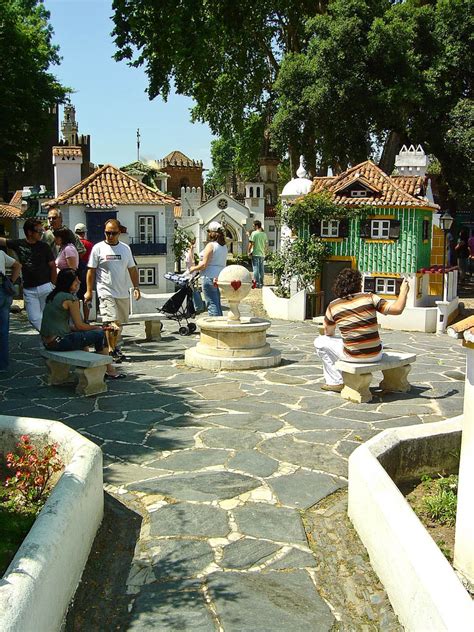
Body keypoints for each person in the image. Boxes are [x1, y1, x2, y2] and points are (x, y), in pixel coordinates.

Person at [314, 268, 410, 392]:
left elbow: (328, 332)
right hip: (376, 354)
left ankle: (335, 381)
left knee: (320, 341)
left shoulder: (333, 306)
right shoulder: (370, 298)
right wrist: (403, 291)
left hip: (352, 355)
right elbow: (397, 309)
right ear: (359, 284)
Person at [40, 268, 122, 379]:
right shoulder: (69, 299)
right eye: (76, 281)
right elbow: (80, 325)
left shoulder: (52, 296)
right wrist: (97, 327)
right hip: (59, 342)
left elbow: (63, 325)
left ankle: (95, 365)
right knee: (100, 334)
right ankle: (109, 369)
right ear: (68, 283)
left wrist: (87, 328)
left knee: (84, 337)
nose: (79, 283)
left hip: (48, 342)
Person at [84, 219, 141, 362]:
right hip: (105, 291)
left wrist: (136, 287)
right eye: (107, 233)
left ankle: (113, 347)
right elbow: (91, 271)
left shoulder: (125, 248)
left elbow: (132, 269)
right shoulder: (98, 248)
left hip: (121, 292)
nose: (110, 236)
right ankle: (110, 351)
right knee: (111, 322)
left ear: (119, 232)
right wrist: (89, 291)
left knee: (118, 324)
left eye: (113, 233)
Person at [0, 218, 57, 331]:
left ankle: (51, 338)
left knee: (49, 316)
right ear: (30, 232)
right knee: (34, 318)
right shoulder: (19, 244)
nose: (41, 233)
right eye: (39, 231)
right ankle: (49, 335)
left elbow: (53, 266)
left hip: (46, 286)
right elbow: (3, 241)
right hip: (29, 289)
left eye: (42, 231)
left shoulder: (44, 246)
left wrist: (53, 285)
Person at [190, 221, 227, 316]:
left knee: (211, 303)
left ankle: (214, 325)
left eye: (209, 231)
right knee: (216, 302)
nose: (208, 233)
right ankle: (220, 323)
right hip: (218, 276)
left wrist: (193, 268)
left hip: (209, 276)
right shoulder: (223, 247)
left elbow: (204, 265)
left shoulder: (211, 245)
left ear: (213, 233)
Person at [0, 250, 21, 372]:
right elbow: (18, 265)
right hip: (4, 290)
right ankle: (2, 364)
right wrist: (11, 282)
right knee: (3, 331)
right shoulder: (1, 253)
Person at [74, 223, 94, 321]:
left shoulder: (73, 244)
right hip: (87, 272)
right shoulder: (90, 245)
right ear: (84, 233)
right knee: (87, 297)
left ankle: (77, 319)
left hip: (76, 272)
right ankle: (86, 319)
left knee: (76, 298)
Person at [248, 220, 268, 288]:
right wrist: (265, 252)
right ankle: (261, 283)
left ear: (256, 226)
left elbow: (251, 243)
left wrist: (248, 251)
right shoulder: (264, 234)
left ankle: (256, 283)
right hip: (262, 254)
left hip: (255, 253)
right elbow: (266, 245)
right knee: (261, 269)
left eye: (253, 226)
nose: (253, 227)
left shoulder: (254, 233)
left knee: (256, 268)